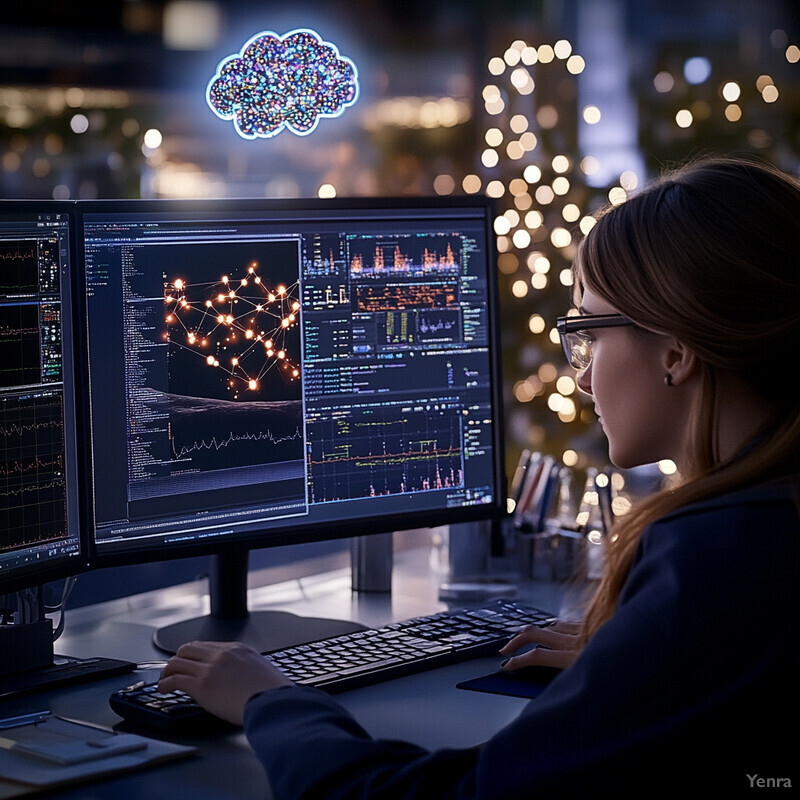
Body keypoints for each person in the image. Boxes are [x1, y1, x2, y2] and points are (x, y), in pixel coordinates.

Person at [159, 155, 799, 795]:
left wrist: (269, 701)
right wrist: (631, 669)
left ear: (676, 351)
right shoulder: (761, 533)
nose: (579, 375)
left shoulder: (715, 560)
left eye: (588, 336)